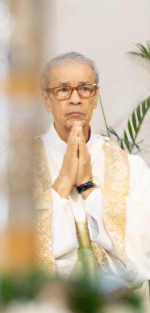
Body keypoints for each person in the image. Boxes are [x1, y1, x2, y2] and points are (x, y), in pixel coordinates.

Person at [35, 51, 150, 287]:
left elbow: (143, 240)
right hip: (48, 297)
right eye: (63, 90)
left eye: (85, 89)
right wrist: (62, 184)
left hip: (117, 298)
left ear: (95, 97)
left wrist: (88, 187)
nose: (75, 99)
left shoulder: (131, 167)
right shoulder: (21, 165)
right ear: (46, 99)